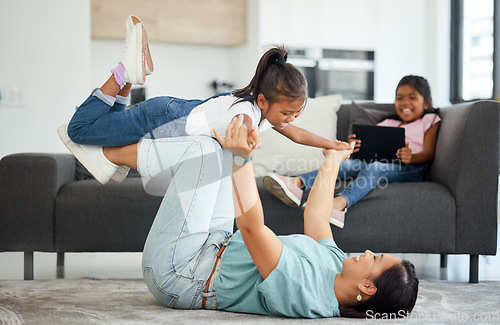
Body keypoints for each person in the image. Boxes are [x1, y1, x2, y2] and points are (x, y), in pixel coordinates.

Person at [99, 114, 418, 318]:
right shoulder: (337, 267)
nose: (366, 253)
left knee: (202, 152)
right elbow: (317, 216)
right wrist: (333, 158)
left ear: (368, 287)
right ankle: (117, 155)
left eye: (374, 259)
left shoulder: (305, 292)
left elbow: (252, 229)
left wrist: (244, 159)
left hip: (183, 273)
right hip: (214, 244)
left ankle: (105, 156)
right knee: (217, 141)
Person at [57, 15, 350, 185]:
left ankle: (131, 75)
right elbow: (242, 123)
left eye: (295, 114)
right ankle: (123, 71)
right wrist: (247, 135)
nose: (291, 120)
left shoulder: (265, 114)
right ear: (263, 100)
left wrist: (331, 144)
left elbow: (298, 134)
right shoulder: (247, 111)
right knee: (78, 130)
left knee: (106, 130)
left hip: (168, 116)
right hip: (162, 118)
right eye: (287, 113)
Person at [263, 75, 441, 228]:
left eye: (412, 97)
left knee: (376, 168)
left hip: (412, 168)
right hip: (381, 162)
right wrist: (354, 146)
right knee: (348, 165)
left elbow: (430, 153)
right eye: (400, 98)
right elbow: (371, 146)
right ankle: (297, 183)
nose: (405, 103)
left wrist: (412, 157)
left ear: (426, 103)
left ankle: (338, 205)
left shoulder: (430, 119)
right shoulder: (389, 124)